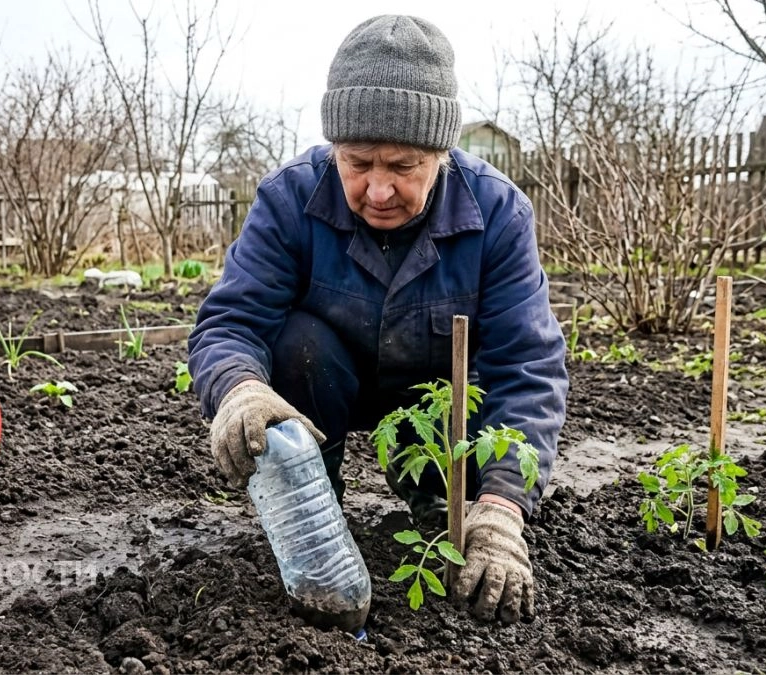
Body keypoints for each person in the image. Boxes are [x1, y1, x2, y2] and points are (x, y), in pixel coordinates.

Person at [186, 14, 568, 625]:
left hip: (439, 415)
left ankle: (439, 501)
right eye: (359, 162)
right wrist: (239, 390)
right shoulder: (290, 198)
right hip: (323, 393)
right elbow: (231, 321)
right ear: (335, 146)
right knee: (298, 342)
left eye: (404, 165)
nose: (379, 189)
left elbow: (528, 366)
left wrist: (501, 507)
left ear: (442, 154)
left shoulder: (498, 214)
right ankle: (316, 511)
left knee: (465, 504)